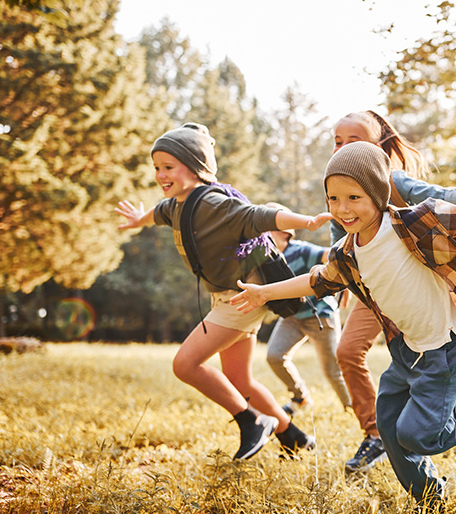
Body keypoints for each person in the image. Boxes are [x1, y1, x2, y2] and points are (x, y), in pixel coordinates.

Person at [231, 141, 456, 511]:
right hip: (405, 350)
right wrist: (264, 293)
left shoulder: (414, 222)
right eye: (333, 198)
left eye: (354, 197)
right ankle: (430, 496)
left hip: (445, 349)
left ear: (378, 194)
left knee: (419, 435)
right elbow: (317, 280)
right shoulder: (347, 254)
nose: (343, 209)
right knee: (390, 429)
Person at [114, 122, 332, 460]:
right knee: (238, 379)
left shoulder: (214, 202)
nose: (160, 175)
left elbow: (258, 215)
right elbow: (156, 215)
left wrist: (306, 222)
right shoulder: (175, 205)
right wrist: (138, 219)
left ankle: (251, 422)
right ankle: (294, 437)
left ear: (196, 167)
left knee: (185, 365)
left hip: (243, 295)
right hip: (228, 296)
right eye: (157, 167)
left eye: (169, 167)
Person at [329, 110, 456, 474]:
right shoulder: (339, 187)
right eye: (338, 141)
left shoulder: (394, 181)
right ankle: (377, 434)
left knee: (433, 356)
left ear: (379, 145)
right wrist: (340, 284)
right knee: (348, 351)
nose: (344, 147)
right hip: (373, 289)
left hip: (416, 281)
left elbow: (441, 197)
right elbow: (339, 243)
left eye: (355, 140)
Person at [262, 203, 352, 415]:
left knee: (332, 371)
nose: (262, 235)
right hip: (292, 318)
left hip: (320, 317)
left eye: (268, 230)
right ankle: (301, 398)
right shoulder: (267, 259)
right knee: (275, 356)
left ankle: (353, 408)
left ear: (284, 233)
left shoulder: (301, 250)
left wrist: (344, 278)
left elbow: (329, 255)